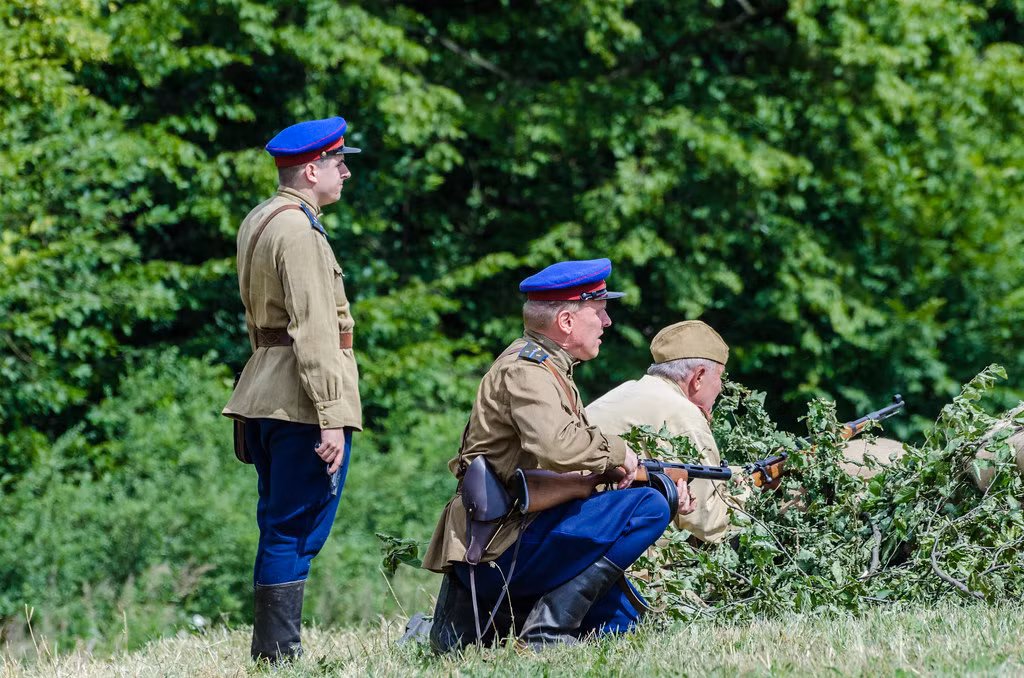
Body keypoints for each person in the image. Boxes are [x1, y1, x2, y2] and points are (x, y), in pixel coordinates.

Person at [421, 259, 696, 653]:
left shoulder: (550, 367)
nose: (607, 322)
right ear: (566, 321)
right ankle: (544, 633)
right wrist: (621, 454)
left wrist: (650, 474)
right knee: (650, 507)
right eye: (599, 311)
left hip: (519, 537)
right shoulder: (527, 371)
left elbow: (568, 466)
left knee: (623, 626)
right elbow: (558, 447)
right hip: (500, 547)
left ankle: (510, 622)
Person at [222, 116, 363, 662]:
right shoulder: (299, 231)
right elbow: (314, 327)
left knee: (278, 524)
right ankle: (279, 655)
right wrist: (331, 414)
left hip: (263, 390)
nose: (345, 172)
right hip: (300, 402)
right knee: (294, 530)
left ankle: (272, 651)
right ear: (312, 169)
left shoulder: (260, 218)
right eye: (338, 162)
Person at [586, 320, 752, 545]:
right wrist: (750, 490)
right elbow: (709, 523)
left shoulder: (628, 390)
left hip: (578, 530)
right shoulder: (683, 414)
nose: (721, 388)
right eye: (720, 377)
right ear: (699, 376)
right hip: (609, 553)